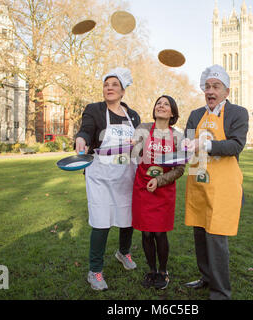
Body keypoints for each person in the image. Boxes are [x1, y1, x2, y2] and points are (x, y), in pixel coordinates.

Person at [182, 65, 249, 300]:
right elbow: (187, 142)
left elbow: (235, 145)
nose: (211, 91)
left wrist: (205, 145)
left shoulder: (238, 113)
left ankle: (220, 291)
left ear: (226, 91)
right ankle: (206, 277)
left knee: (216, 237)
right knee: (200, 234)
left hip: (223, 184)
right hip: (198, 181)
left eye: (216, 86)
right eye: (207, 86)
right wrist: (184, 146)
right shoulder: (195, 114)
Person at [75, 67, 141, 291]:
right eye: (106, 84)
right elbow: (86, 130)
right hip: (101, 174)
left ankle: (123, 252)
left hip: (125, 174)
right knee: (101, 220)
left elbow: (139, 143)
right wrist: (81, 140)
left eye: (114, 85)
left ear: (123, 91)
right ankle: (95, 270)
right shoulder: (94, 110)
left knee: (128, 217)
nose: (109, 88)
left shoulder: (133, 116)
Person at [131, 95, 185, 290]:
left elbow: (179, 169)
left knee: (160, 234)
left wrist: (159, 180)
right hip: (142, 188)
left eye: (166, 104)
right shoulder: (142, 129)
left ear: (172, 113)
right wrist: (132, 146)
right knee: (146, 233)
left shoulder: (178, 137)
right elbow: (134, 155)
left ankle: (163, 271)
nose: (161, 106)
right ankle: (152, 270)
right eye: (158, 103)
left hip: (163, 191)